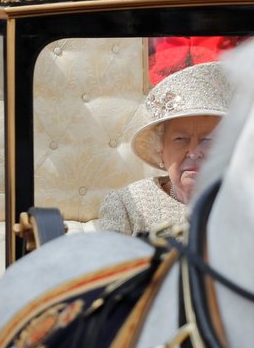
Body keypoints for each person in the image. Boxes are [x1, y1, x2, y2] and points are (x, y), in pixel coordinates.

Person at [98, 61, 232, 234]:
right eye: (180, 139)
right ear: (160, 149)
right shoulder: (126, 205)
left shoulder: (250, 202)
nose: (193, 152)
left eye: (207, 140)